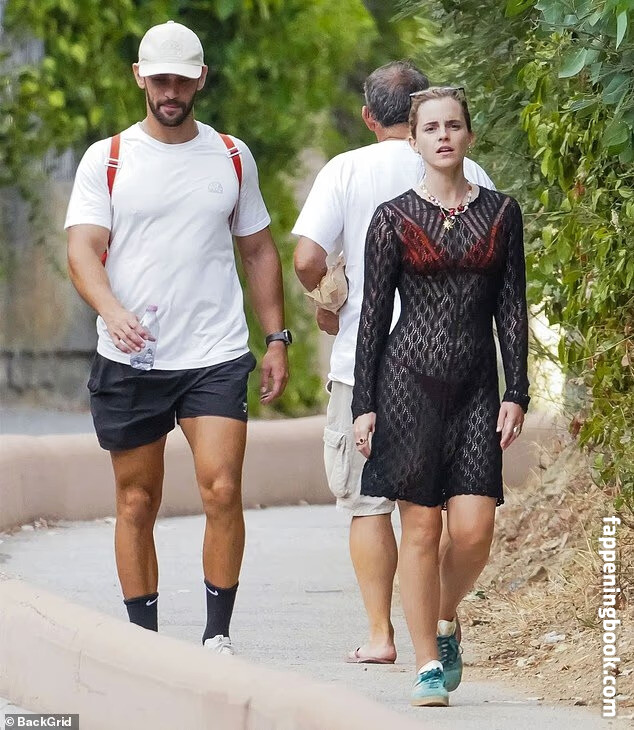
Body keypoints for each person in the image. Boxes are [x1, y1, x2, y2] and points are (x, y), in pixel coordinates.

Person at [65, 20, 291, 655]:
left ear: (200, 80)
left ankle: (217, 636)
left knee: (222, 488)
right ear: (140, 77)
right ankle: (146, 644)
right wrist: (111, 310)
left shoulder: (231, 155)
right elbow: (82, 249)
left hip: (214, 351)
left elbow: (258, 249)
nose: (171, 91)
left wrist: (276, 337)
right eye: (160, 79)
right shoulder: (108, 158)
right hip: (131, 356)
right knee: (137, 500)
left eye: (182, 80)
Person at [293, 62, 494, 673]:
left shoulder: (345, 169)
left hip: (365, 365)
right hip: (456, 368)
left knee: (368, 505)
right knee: (439, 513)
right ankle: (439, 619)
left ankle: (382, 634)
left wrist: (329, 301)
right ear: (418, 115)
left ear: (368, 116)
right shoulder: (471, 173)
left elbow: (305, 257)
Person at [351, 86, 529, 706]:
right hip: (407, 385)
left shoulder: (502, 213)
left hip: (477, 388)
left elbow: (512, 309)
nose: (444, 136)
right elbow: (373, 317)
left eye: (453, 125)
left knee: (475, 530)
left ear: (469, 136)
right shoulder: (392, 217)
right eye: (431, 128)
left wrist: (517, 390)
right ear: (414, 139)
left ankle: (444, 615)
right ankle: (427, 663)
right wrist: (364, 404)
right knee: (422, 528)